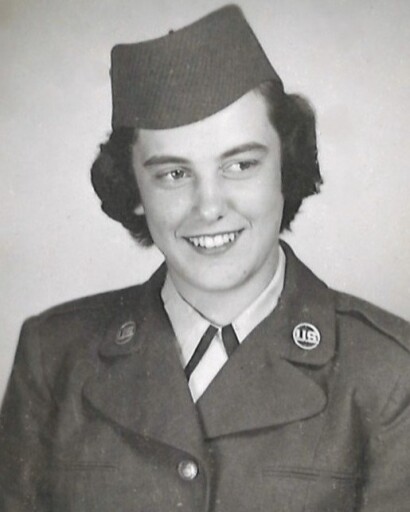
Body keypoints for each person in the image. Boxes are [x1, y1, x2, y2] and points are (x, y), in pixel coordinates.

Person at [1, 5, 409, 511]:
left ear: (286, 168)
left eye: (240, 165)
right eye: (173, 174)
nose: (209, 207)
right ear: (134, 189)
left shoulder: (390, 372)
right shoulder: (53, 356)